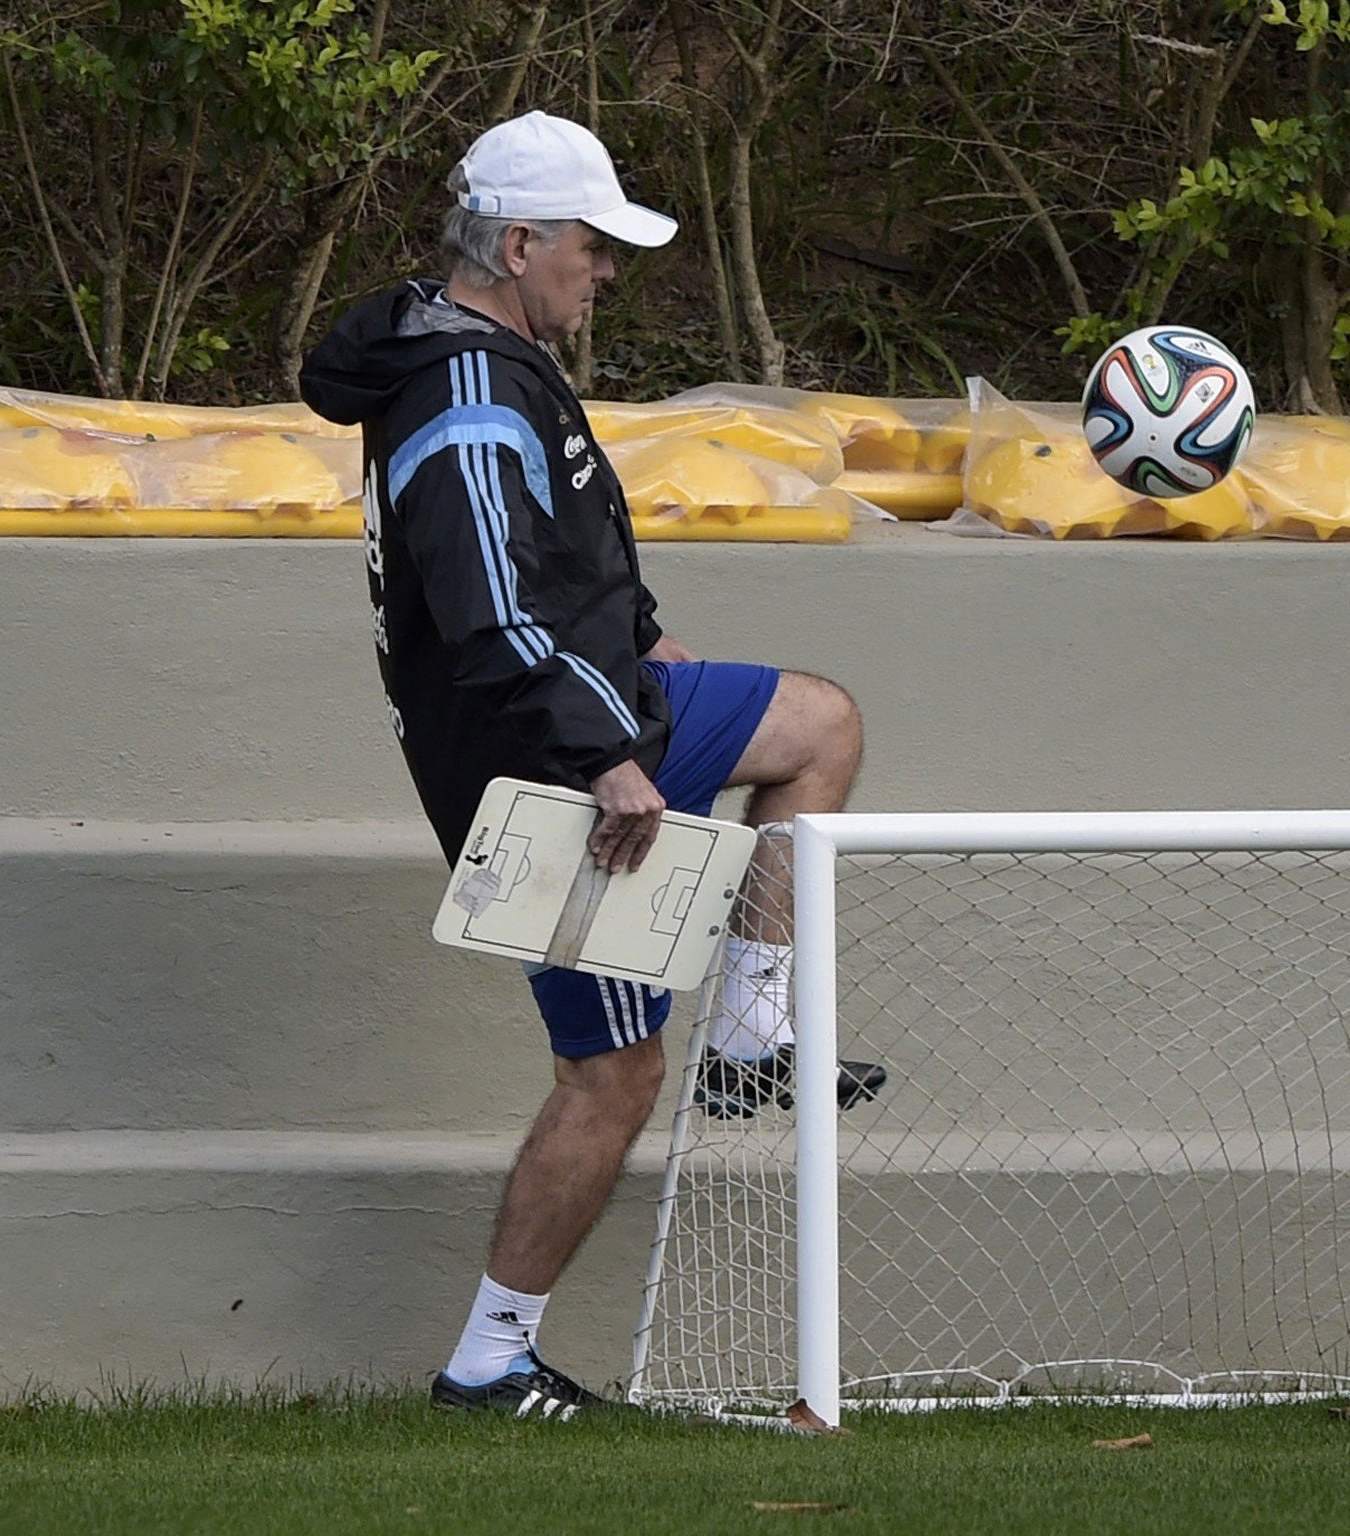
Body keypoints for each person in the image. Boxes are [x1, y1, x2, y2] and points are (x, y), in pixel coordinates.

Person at [300, 110, 885, 1420]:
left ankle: (749, 1031)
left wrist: (640, 641)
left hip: (593, 726)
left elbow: (550, 558)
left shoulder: (479, 360)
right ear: (519, 243)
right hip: (561, 779)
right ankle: (489, 1363)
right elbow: (486, 605)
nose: (607, 270)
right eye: (593, 244)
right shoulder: (461, 392)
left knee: (818, 725)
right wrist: (604, 747)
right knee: (611, 1079)